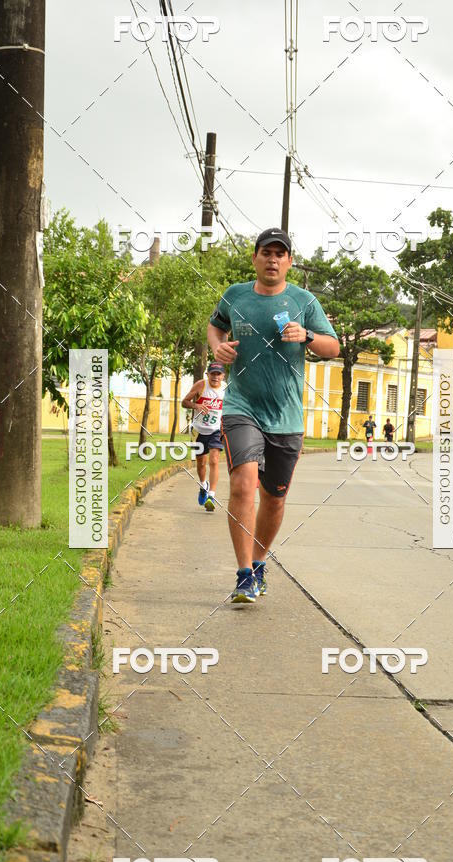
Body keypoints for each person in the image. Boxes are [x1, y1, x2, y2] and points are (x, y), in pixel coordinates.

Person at [207, 227, 340, 604]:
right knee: (242, 486)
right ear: (255, 258)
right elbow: (215, 326)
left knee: (274, 499)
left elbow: (333, 347)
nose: (273, 259)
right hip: (241, 407)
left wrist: (307, 337)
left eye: (280, 253)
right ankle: (244, 575)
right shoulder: (235, 296)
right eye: (266, 252)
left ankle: (260, 561)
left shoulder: (304, 301)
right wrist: (219, 348)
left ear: (289, 262)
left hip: (286, 416)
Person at [181, 362, 226, 511]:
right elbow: (184, 402)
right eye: (212, 373)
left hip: (215, 430)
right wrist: (196, 406)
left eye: (218, 374)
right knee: (201, 464)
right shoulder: (201, 385)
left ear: (223, 376)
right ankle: (203, 485)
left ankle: (211, 496)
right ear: (207, 374)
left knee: (214, 459)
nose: (215, 377)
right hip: (199, 431)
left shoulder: (227, 388)